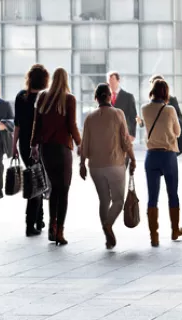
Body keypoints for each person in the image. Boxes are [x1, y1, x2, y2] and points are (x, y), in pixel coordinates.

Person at [79, 83, 137, 249]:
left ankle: (107, 235)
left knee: (104, 200)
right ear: (110, 96)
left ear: (96, 98)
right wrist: (132, 159)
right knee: (118, 200)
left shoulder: (89, 118)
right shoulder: (118, 114)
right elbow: (126, 140)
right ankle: (108, 225)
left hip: (95, 166)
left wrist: (82, 164)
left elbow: (84, 143)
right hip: (115, 164)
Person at [30, 68, 81, 246]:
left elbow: (37, 123)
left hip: (46, 149)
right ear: (66, 80)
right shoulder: (69, 99)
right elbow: (72, 125)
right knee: (64, 190)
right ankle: (60, 231)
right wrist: (80, 144)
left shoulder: (43, 97)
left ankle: (52, 227)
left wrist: (33, 145)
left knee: (53, 188)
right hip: (63, 149)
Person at [141, 79, 182, 247]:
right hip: (168, 156)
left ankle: (154, 236)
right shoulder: (170, 109)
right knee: (172, 193)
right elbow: (178, 132)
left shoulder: (144, 109)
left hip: (151, 156)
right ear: (166, 92)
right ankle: (174, 230)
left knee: (152, 197)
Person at [12, 64, 49, 237]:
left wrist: (14, 147)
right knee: (37, 182)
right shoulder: (45, 97)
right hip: (41, 145)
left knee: (35, 180)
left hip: (25, 144)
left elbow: (17, 125)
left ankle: (38, 219)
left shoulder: (21, 96)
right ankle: (31, 222)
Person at [107, 71, 137, 166]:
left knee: (123, 163)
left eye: (113, 81)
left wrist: (132, 134)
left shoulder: (128, 97)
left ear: (118, 81)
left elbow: (133, 116)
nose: (111, 84)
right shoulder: (105, 97)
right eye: (109, 81)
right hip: (109, 136)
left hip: (124, 134)